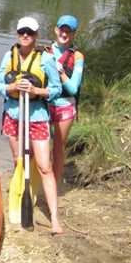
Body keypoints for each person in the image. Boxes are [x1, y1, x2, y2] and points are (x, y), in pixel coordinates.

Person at [0, 17, 64, 235]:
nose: (25, 36)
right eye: (22, 32)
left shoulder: (46, 59)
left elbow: (56, 89)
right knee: (19, 162)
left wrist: (36, 91)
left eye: (30, 33)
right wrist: (12, 86)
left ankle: (54, 218)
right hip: (14, 116)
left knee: (45, 166)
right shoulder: (9, 56)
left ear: (36, 35)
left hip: (37, 117)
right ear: (17, 34)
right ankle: (18, 201)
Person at [46, 15, 85, 186]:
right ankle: (42, 180)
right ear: (56, 30)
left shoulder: (78, 57)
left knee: (58, 147)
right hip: (45, 105)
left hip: (66, 106)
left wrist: (60, 72)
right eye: (62, 29)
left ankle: (55, 182)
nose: (64, 33)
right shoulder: (45, 52)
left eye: (68, 30)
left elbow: (73, 88)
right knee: (40, 145)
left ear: (74, 33)